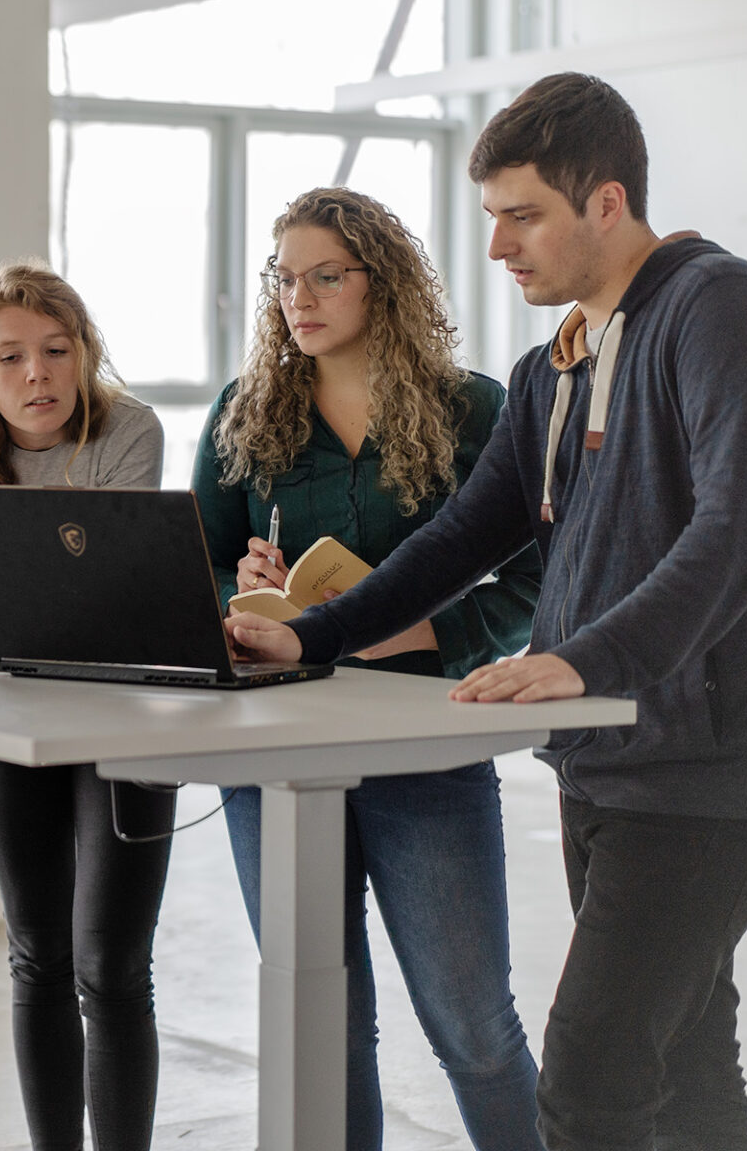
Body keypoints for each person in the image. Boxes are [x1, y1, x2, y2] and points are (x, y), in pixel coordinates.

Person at [226, 73, 747, 1150]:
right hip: (606, 757)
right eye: (492, 214)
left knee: (587, 1086)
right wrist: (309, 635)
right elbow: (460, 539)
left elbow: (741, 532)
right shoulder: (553, 367)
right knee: (683, 1060)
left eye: (523, 214)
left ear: (608, 201)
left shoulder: (720, 309)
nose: (498, 244)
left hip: (719, 763)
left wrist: (586, 657)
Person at [193, 187, 545, 1150]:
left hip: (422, 742)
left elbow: (539, 569)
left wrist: (434, 640)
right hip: (275, 750)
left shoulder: (475, 409)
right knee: (324, 1028)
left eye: (324, 276)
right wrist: (243, 585)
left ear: (380, 283)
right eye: (284, 278)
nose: (297, 298)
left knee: (472, 1026)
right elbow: (196, 561)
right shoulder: (244, 412)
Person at [0, 260, 173, 1151]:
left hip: (127, 707)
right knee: (38, 956)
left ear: (85, 354)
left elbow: (95, 592)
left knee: (114, 967)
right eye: (11, 357)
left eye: (57, 352)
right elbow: (5, 599)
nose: (38, 376)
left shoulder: (130, 428)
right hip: (13, 704)